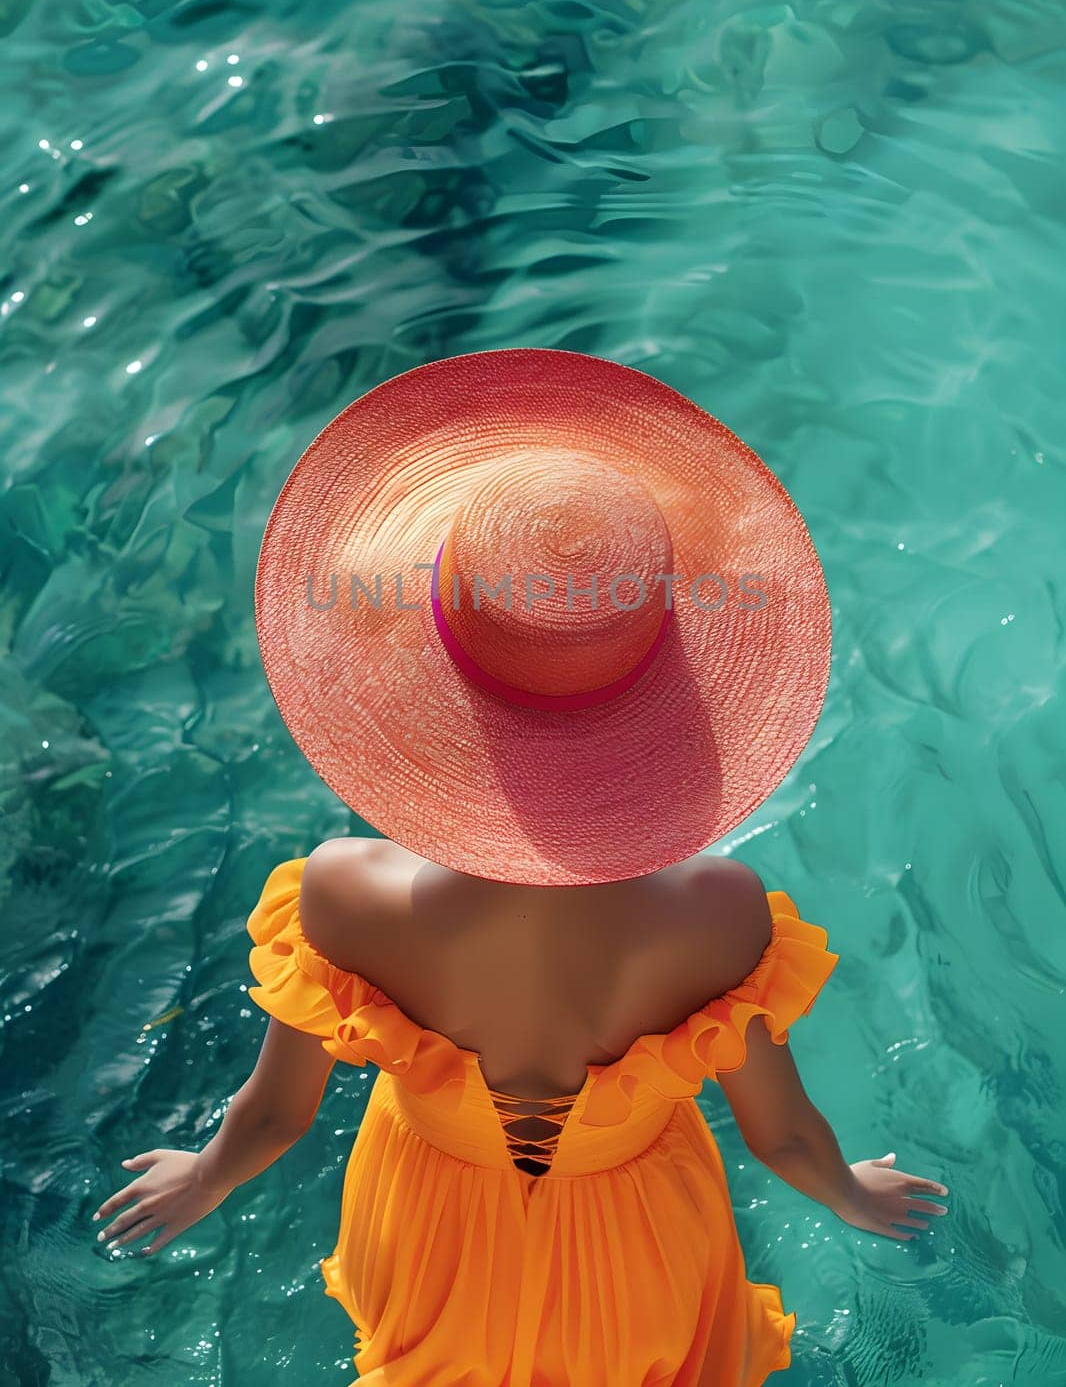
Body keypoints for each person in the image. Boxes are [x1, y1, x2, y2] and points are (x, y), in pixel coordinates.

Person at [92, 349, 949, 1385]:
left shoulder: (343, 892)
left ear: (430, 679)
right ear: (662, 695)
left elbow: (276, 1114)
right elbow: (785, 1136)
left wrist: (205, 1180)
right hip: (637, 1235)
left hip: (432, 1229)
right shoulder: (721, 913)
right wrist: (851, 1193)